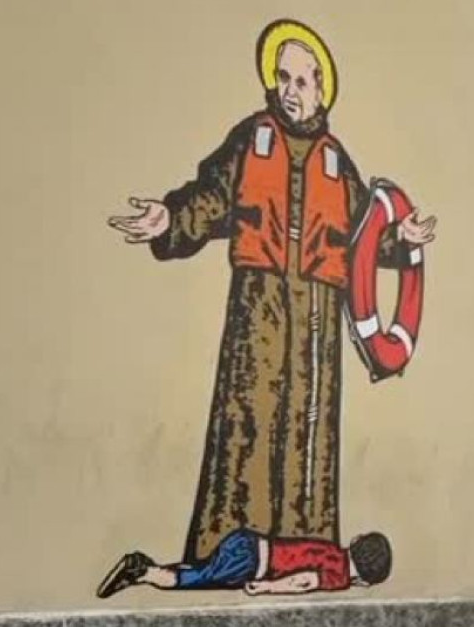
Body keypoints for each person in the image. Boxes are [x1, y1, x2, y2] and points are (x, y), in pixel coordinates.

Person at [106, 19, 436, 564]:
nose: (289, 90)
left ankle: (303, 555)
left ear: (321, 89)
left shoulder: (336, 160)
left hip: (318, 314)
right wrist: (169, 218)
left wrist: (402, 239)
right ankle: (223, 553)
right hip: (257, 306)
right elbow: (210, 198)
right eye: (282, 77)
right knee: (247, 427)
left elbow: (364, 237)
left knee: (309, 438)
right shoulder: (250, 139)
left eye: (301, 81)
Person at [95, 529, 392, 598]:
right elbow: (302, 581)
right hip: (250, 562)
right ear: (365, 580)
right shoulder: (339, 576)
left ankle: (148, 569)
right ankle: (142, 570)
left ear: (356, 541)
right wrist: (267, 588)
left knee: (201, 572)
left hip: (248, 542)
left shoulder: (332, 551)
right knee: (195, 579)